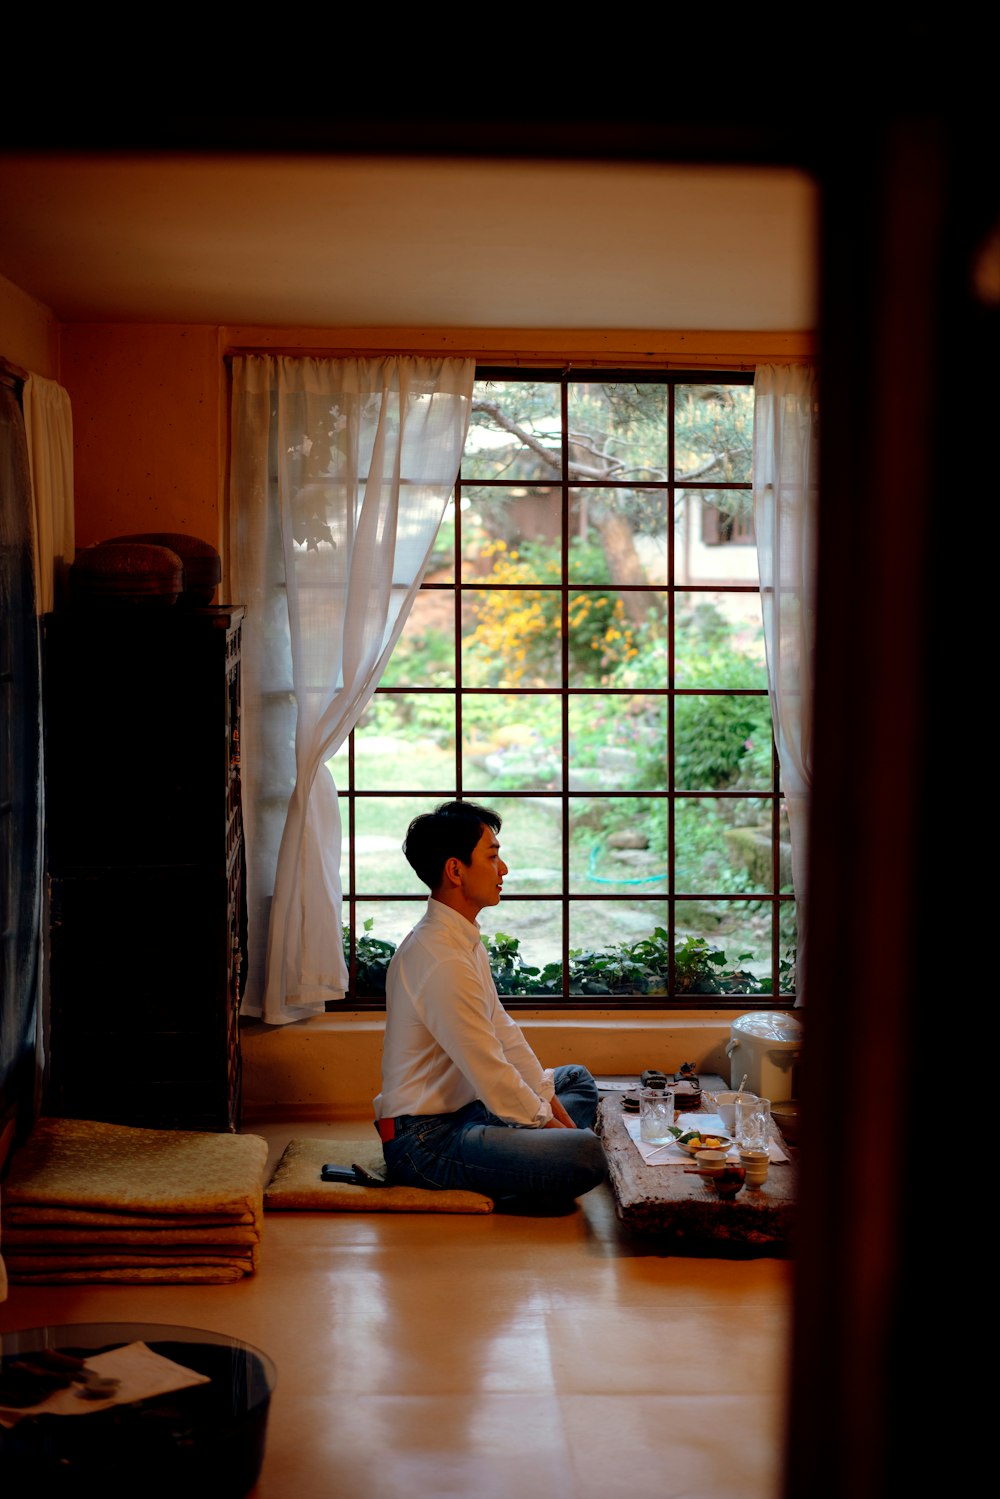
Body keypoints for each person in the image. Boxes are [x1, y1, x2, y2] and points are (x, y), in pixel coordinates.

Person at [373, 800, 607, 1206]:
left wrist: (554, 1115)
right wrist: (557, 1132)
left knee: (574, 1080)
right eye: (493, 856)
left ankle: (521, 1159)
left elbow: (504, 1034)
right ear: (455, 870)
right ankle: (525, 1170)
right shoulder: (440, 957)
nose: (504, 870)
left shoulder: (460, 938)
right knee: (586, 1155)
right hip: (426, 1140)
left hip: (471, 1110)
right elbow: (489, 1066)